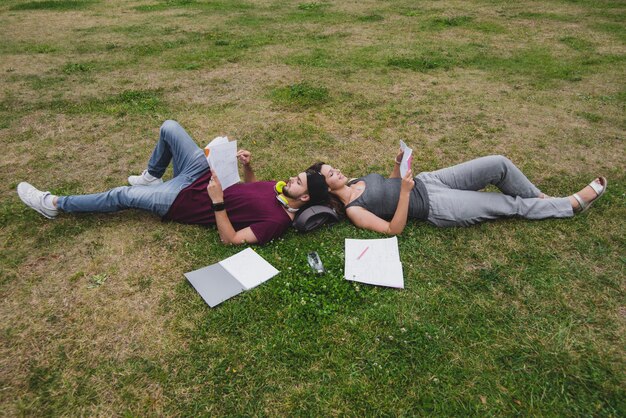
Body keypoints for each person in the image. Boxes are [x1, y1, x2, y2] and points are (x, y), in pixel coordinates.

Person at [17, 120, 329, 245]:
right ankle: (151, 175)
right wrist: (248, 167)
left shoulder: (275, 222)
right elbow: (254, 188)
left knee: (122, 194)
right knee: (170, 127)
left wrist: (218, 200)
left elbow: (231, 239)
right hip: (201, 176)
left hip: (184, 201)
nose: (291, 178)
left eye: (297, 181)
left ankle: (55, 204)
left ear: (303, 199)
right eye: (297, 175)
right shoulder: (279, 190)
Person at [309, 152, 607, 235]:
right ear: (326, 188)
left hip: (432, 180)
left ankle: (541, 199)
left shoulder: (359, 180)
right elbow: (392, 229)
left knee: (498, 164)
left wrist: (396, 166)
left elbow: (387, 184)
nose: (336, 170)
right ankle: (570, 205)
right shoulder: (354, 211)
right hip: (437, 206)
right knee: (507, 204)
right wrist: (404, 193)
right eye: (330, 174)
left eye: (332, 167)